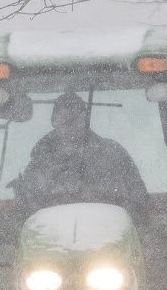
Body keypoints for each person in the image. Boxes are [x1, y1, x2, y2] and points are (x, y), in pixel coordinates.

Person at [11, 92, 149, 223]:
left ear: (85, 120)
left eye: (75, 119)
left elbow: (138, 198)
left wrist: (124, 213)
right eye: (65, 120)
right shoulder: (40, 162)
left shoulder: (113, 154)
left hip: (108, 234)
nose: (71, 125)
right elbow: (28, 214)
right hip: (52, 237)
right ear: (54, 121)